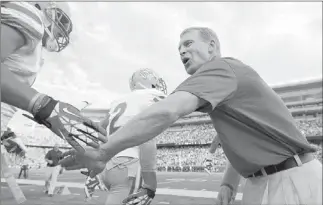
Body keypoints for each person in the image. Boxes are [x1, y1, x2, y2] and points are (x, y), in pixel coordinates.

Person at [70, 27, 321, 205]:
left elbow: (167, 110)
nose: (181, 51)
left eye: (188, 43)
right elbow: (245, 142)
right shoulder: (222, 88)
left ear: (212, 46)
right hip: (266, 179)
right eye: (179, 47)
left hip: (288, 178)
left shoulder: (220, 68)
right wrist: (229, 183)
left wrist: (104, 151)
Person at [1, 2, 106, 202]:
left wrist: (6, 133)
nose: (62, 30)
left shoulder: (33, 49)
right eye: (62, 20)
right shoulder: (31, 16)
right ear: (42, 6)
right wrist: (44, 106)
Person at [61, 68, 167, 205]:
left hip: (109, 166)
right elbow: (147, 139)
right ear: (148, 80)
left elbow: (100, 130)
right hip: (129, 165)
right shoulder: (152, 96)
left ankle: (97, 178)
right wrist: (151, 185)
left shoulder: (118, 101)